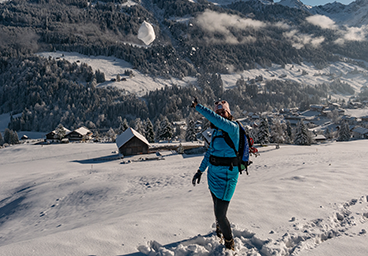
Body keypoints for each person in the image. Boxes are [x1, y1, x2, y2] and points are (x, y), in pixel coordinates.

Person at [191, 99, 240, 250]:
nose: (219, 115)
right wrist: (200, 171)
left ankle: (229, 243)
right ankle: (219, 230)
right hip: (212, 176)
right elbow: (209, 154)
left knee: (220, 213)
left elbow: (215, 119)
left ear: (228, 114)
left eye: (222, 112)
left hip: (226, 178)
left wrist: (198, 107)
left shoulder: (233, 128)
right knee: (216, 206)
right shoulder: (217, 132)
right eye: (217, 112)